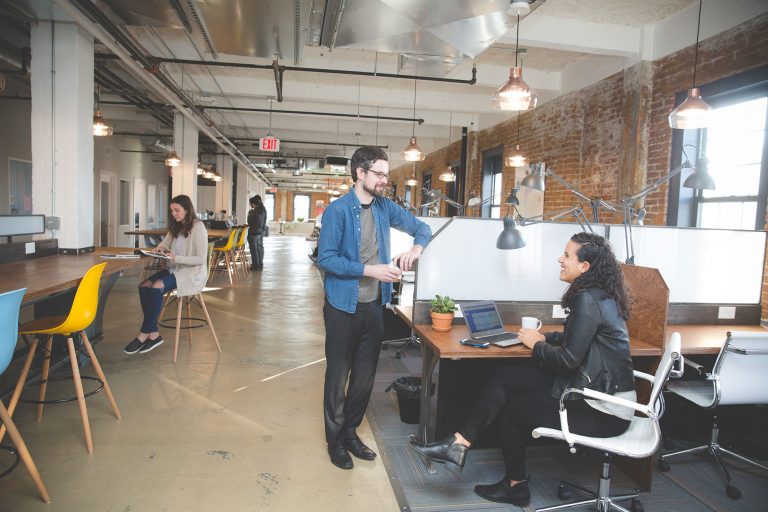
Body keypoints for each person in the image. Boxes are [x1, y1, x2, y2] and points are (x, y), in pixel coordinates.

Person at [409, 232, 635, 507]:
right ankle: (458, 443)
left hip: (604, 409)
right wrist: (543, 339)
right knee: (507, 376)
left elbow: (568, 360)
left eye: (566, 255)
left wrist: (536, 346)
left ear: (584, 267)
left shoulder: (588, 299)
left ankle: (515, 487)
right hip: (595, 392)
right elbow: (575, 339)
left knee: (512, 411)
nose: (559, 259)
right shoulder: (598, 295)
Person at [317, 146, 432, 470]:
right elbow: (325, 258)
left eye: (386, 174)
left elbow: (422, 228)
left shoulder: (384, 207)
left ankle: (351, 432)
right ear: (360, 173)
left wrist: (416, 249)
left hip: (373, 306)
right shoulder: (337, 211)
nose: (384, 179)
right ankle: (335, 440)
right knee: (338, 376)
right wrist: (371, 270)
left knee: (366, 376)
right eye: (379, 173)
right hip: (342, 306)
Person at [124, 195, 208, 355]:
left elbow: (200, 259)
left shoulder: (198, 227)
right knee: (144, 285)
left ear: (187, 210)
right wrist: (160, 248)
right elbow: (166, 243)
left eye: (177, 210)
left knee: (157, 286)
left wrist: (176, 258)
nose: (174, 214)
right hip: (175, 268)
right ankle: (154, 334)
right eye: (172, 211)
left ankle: (144, 333)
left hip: (191, 273)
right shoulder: (176, 227)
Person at [247, 195, 268, 270]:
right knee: (259, 248)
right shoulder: (263, 209)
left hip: (254, 232)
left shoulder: (255, 211)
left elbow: (250, 222)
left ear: (253, 203)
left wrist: (249, 214)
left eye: (250, 204)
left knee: (254, 250)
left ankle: (256, 266)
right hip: (260, 231)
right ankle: (259, 264)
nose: (250, 205)